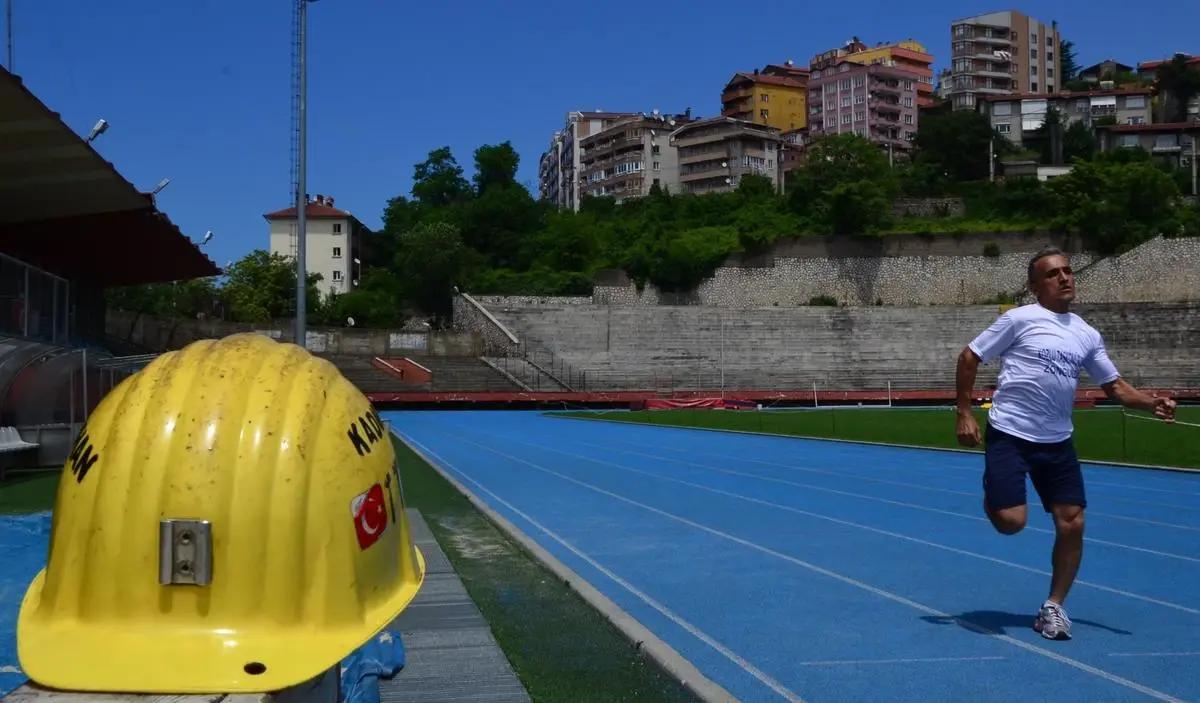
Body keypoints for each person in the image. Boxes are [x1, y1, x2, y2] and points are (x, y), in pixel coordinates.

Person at [954, 246, 1176, 641]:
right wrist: (965, 413)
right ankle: (995, 492)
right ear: (1035, 286)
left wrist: (1150, 401)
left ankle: (1054, 606)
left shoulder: (1086, 333)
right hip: (1011, 433)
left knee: (1073, 522)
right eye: (1054, 273)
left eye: (1068, 271)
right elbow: (970, 356)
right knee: (1010, 523)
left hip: (1056, 442)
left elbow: (1116, 387)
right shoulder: (1019, 319)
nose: (1065, 277)